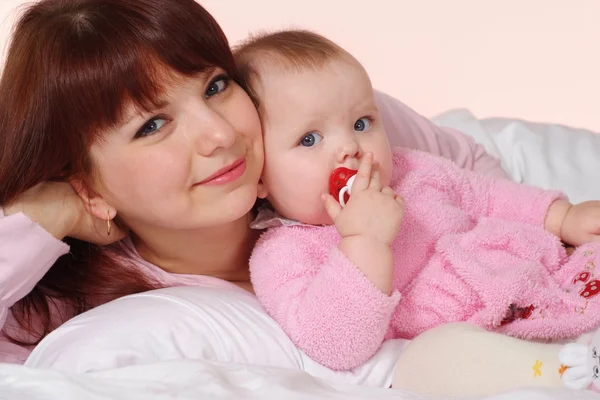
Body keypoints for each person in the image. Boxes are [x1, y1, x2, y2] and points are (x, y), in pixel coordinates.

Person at [0, 0, 506, 365]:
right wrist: (52, 213)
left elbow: (469, 163)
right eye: (153, 125)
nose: (220, 133)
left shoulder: (318, 126)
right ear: (88, 186)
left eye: (215, 86)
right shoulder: (72, 305)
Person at [237, 30, 600, 381]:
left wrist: (562, 217)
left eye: (362, 123)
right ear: (260, 178)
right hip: (465, 336)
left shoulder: (412, 168)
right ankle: (567, 373)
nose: (350, 147)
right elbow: (334, 343)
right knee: (430, 363)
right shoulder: (283, 253)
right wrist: (364, 241)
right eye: (310, 139)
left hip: (533, 282)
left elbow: (487, 195)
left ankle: (581, 348)